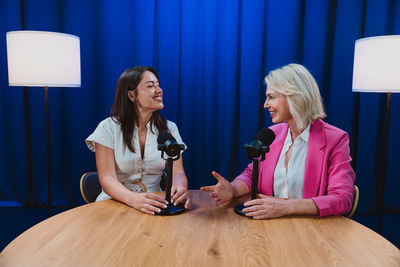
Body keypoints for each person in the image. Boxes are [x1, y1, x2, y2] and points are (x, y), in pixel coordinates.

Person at [201, 63, 355, 219]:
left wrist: (286, 207)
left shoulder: (335, 139)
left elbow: (343, 199)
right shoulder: (272, 134)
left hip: (311, 229)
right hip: (268, 224)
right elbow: (252, 174)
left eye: (271, 97)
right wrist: (232, 189)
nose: (265, 104)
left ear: (295, 97)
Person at [86, 66, 190, 215]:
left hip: (155, 204)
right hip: (114, 202)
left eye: (158, 85)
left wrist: (180, 187)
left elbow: (178, 173)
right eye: (150, 86)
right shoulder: (107, 127)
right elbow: (107, 178)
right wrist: (134, 199)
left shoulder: (170, 128)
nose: (159, 90)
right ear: (131, 95)